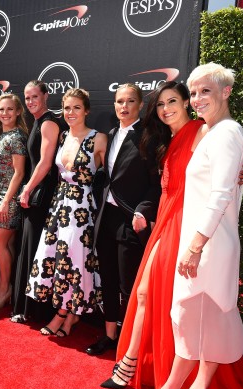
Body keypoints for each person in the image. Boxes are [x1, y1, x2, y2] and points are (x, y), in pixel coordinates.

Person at [136, 63, 243, 389]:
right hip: (202, 240)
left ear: (226, 91)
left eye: (206, 90)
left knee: (203, 318)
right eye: (194, 92)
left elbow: (221, 195)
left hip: (209, 243)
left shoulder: (227, 132)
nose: (198, 98)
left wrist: (194, 246)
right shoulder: (211, 131)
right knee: (192, 320)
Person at [102, 81, 243, 389]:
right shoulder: (165, 138)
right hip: (166, 217)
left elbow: (234, 154)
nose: (166, 109)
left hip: (185, 221)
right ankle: (137, 363)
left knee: (154, 295)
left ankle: (140, 367)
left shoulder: (202, 130)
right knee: (147, 294)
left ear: (187, 102)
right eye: (160, 104)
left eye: (172, 101)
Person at [86, 83, 161, 356]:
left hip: (130, 219)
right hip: (106, 217)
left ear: (140, 105)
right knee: (106, 278)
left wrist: (142, 211)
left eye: (130, 101)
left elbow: (156, 184)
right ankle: (109, 335)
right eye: (119, 101)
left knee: (128, 285)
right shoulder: (111, 134)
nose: (124, 106)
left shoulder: (148, 138)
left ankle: (130, 344)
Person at [25, 88, 106, 335]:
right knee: (59, 259)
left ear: (86, 110)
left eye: (77, 108)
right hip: (59, 206)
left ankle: (63, 315)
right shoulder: (62, 137)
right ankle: (70, 315)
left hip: (81, 210)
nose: (71, 113)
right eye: (67, 108)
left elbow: (112, 177)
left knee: (75, 262)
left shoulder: (98, 139)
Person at [10, 80, 61, 323]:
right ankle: (26, 309)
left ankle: (32, 310)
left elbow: (46, 162)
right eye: (27, 97)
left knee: (35, 249)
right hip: (37, 193)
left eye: (34, 96)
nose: (30, 101)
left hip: (42, 195)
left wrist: (27, 189)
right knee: (30, 247)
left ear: (46, 96)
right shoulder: (38, 122)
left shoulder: (49, 122)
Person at [0, 93, 28, 308]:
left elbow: (19, 173)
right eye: (1, 109)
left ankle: (5, 290)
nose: (5, 113)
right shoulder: (3, 134)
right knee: (8, 245)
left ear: (18, 111)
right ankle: (3, 288)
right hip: (1, 196)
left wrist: (6, 201)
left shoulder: (17, 137)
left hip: (8, 199)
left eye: (10, 109)